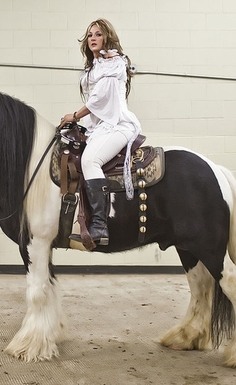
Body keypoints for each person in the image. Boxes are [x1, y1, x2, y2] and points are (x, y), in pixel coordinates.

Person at [59, 18, 142, 246]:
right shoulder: (95, 67)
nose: (93, 38)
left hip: (118, 126)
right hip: (101, 128)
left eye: (98, 34)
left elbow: (98, 100)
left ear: (107, 38)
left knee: (90, 160)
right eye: (90, 35)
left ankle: (99, 226)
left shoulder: (112, 64)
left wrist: (73, 116)